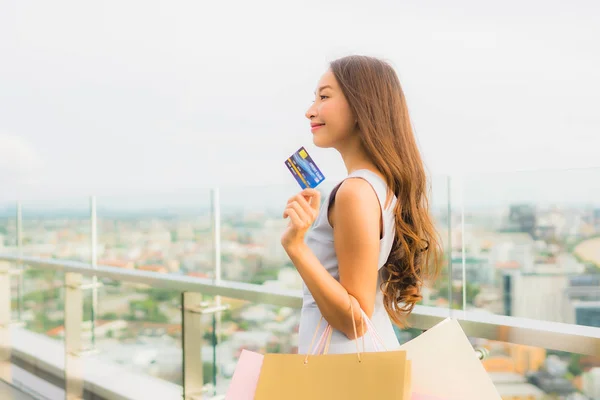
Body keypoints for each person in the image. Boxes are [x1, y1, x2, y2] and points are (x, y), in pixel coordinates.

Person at [281, 55, 442, 354]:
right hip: (363, 363)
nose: (310, 111)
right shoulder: (379, 186)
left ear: (361, 106)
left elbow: (354, 321)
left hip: (345, 370)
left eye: (324, 96)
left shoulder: (355, 192)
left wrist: (296, 246)